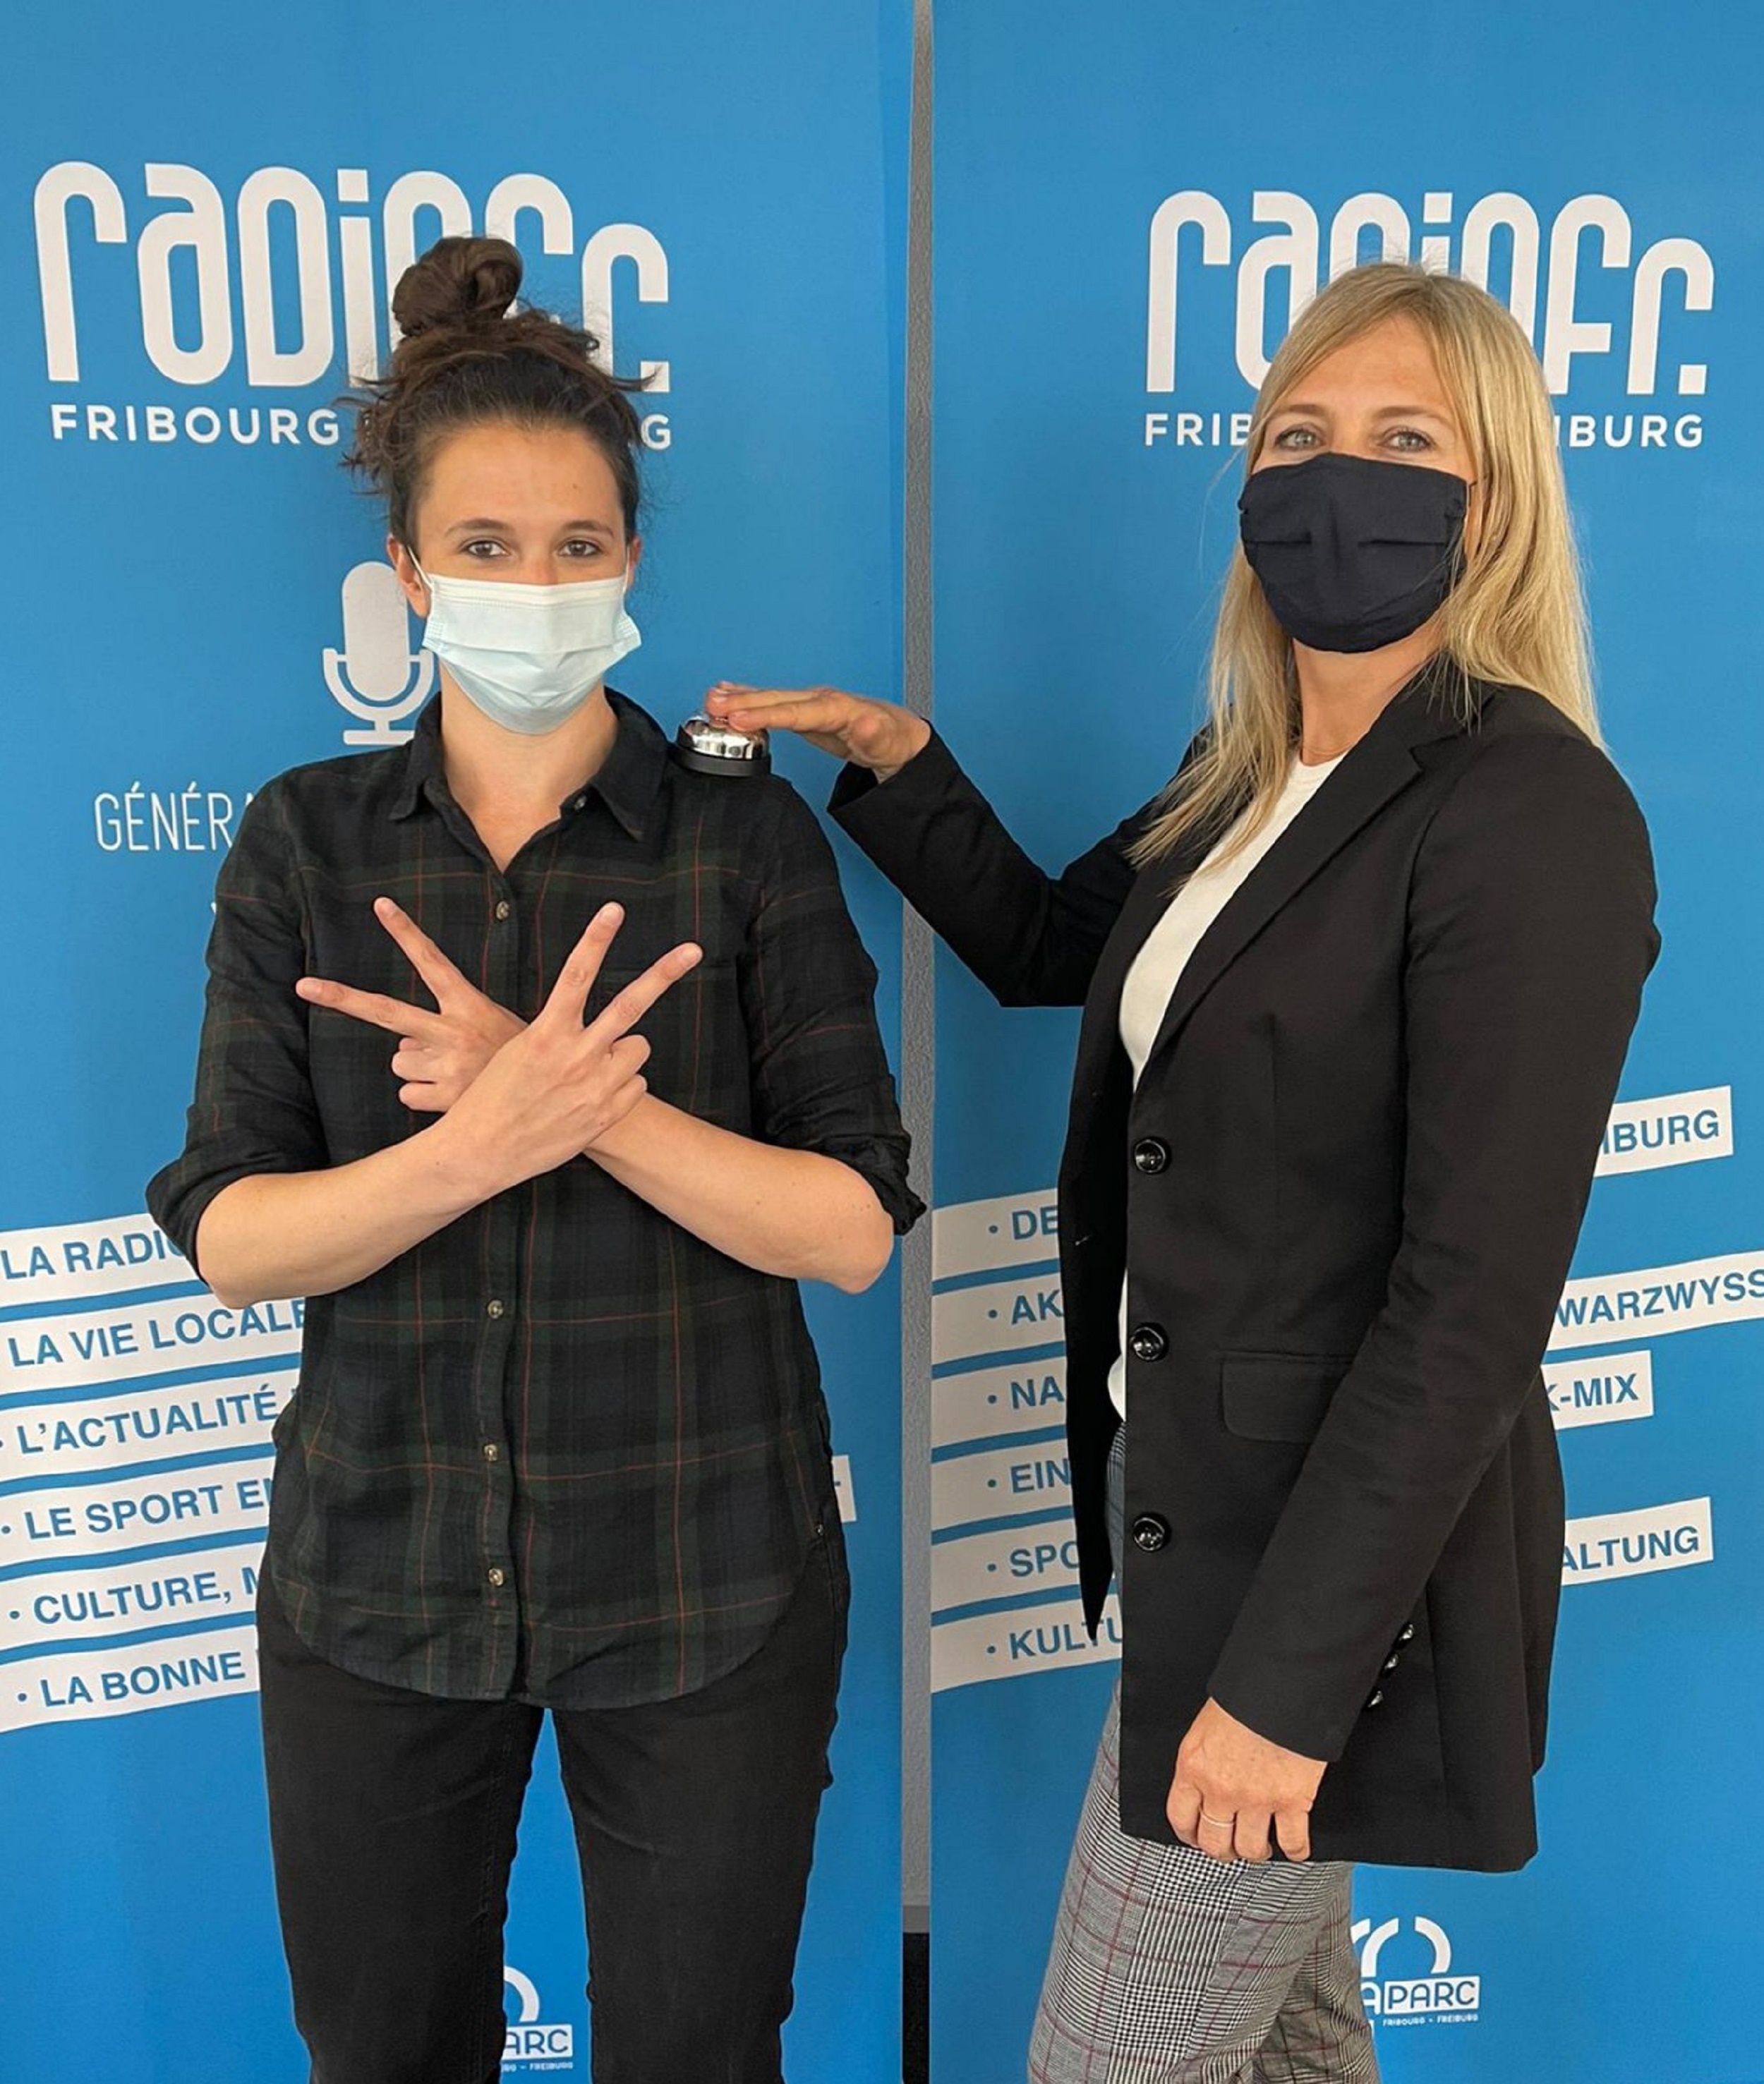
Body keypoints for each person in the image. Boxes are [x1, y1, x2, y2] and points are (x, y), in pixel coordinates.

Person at [706, 260, 1660, 2083]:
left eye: (1402, 442)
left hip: (1322, 1593)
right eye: (1296, 437)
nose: (1335, 478)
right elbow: (1053, 944)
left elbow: (1467, 1312)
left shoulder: (1530, 812)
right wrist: (898, 767)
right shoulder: (1244, 770)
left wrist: (1285, 1692)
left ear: (1495, 498)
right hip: (1193, 1518)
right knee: (1293, 2053)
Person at [146, 234, 922, 2084]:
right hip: (375, 1585)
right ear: (409, 569)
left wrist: (602, 1113)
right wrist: (477, 1146)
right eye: (485, 547)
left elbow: (851, 1226)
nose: (535, 585)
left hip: (709, 1581)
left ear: (631, 560)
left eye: (578, 545)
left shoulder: (743, 844)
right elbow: (235, 1232)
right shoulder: (307, 842)